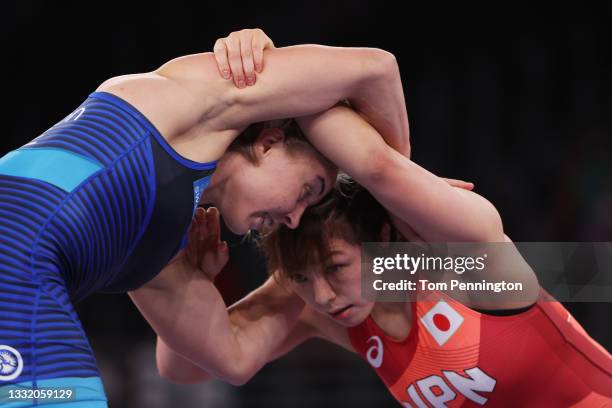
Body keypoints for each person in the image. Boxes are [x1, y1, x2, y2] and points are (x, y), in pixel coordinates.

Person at [0, 28, 412, 406]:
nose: (292, 217)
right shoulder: (194, 102)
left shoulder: (159, 247)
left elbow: (228, 360)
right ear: (270, 142)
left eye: (329, 267)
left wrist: (206, 281)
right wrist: (403, 190)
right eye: (308, 189)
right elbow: (375, 68)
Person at [138, 104, 612, 406]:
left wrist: (279, 87)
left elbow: (378, 167)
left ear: (383, 241)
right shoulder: (321, 305)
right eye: (299, 278)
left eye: (336, 267)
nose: (322, 295)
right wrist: (196, 286)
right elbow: (185, 368)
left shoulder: (459, 267)